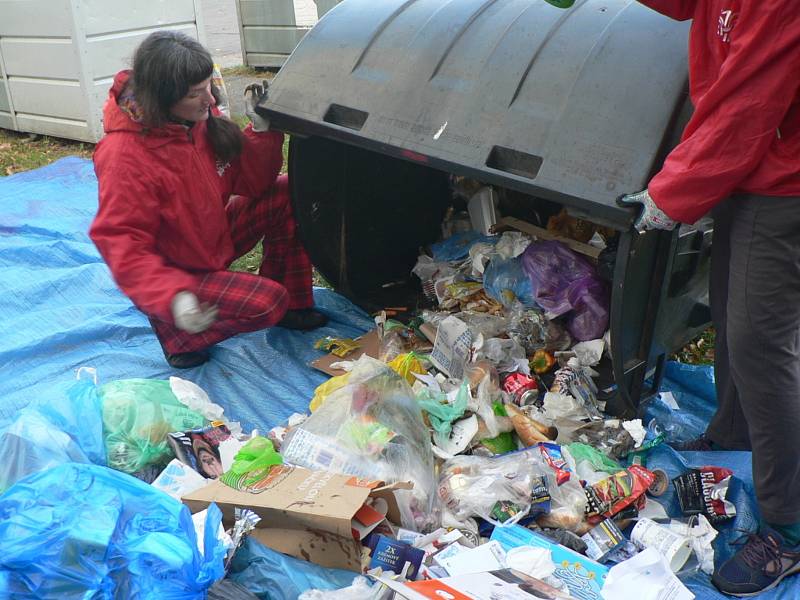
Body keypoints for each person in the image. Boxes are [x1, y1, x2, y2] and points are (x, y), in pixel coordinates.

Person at [620, 2, 800, 595]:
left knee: (760, 341)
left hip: (785, 177)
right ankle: (734, 430)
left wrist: (671, 194)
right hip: (753, 169)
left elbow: (746, 108)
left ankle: (789, 526)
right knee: (731, 310)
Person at [89, 31, 327, 369]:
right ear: (161, 99)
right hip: (176, 272)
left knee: (288, 191)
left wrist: (261, 133)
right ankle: (180, 334)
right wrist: (173, 297)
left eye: (207, 87)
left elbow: (252, 183)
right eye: (194, 94)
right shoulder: (124, 155)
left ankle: (293, 307)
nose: (209, 99)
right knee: (267, 301)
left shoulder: (195, 117)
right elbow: (122, 242)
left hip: (210, 240)